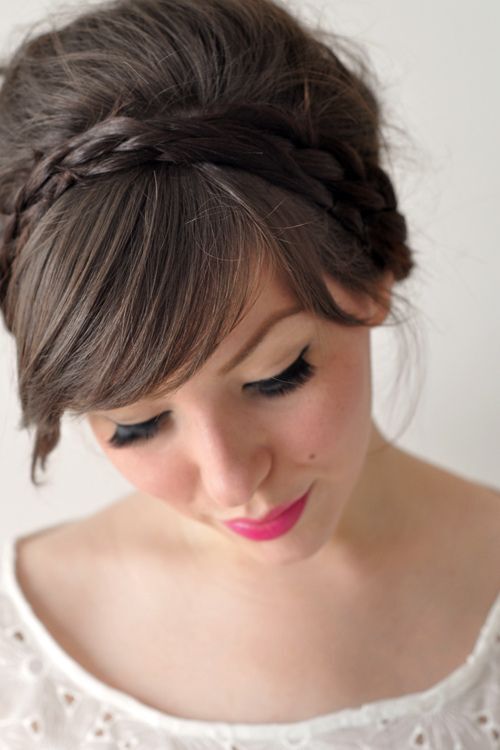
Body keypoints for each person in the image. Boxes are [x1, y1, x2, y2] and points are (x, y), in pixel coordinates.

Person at [0, 0, 499, 747]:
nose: (233, 481)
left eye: (276, 376)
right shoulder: (19, 660)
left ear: (374, 271)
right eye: (136, 423)